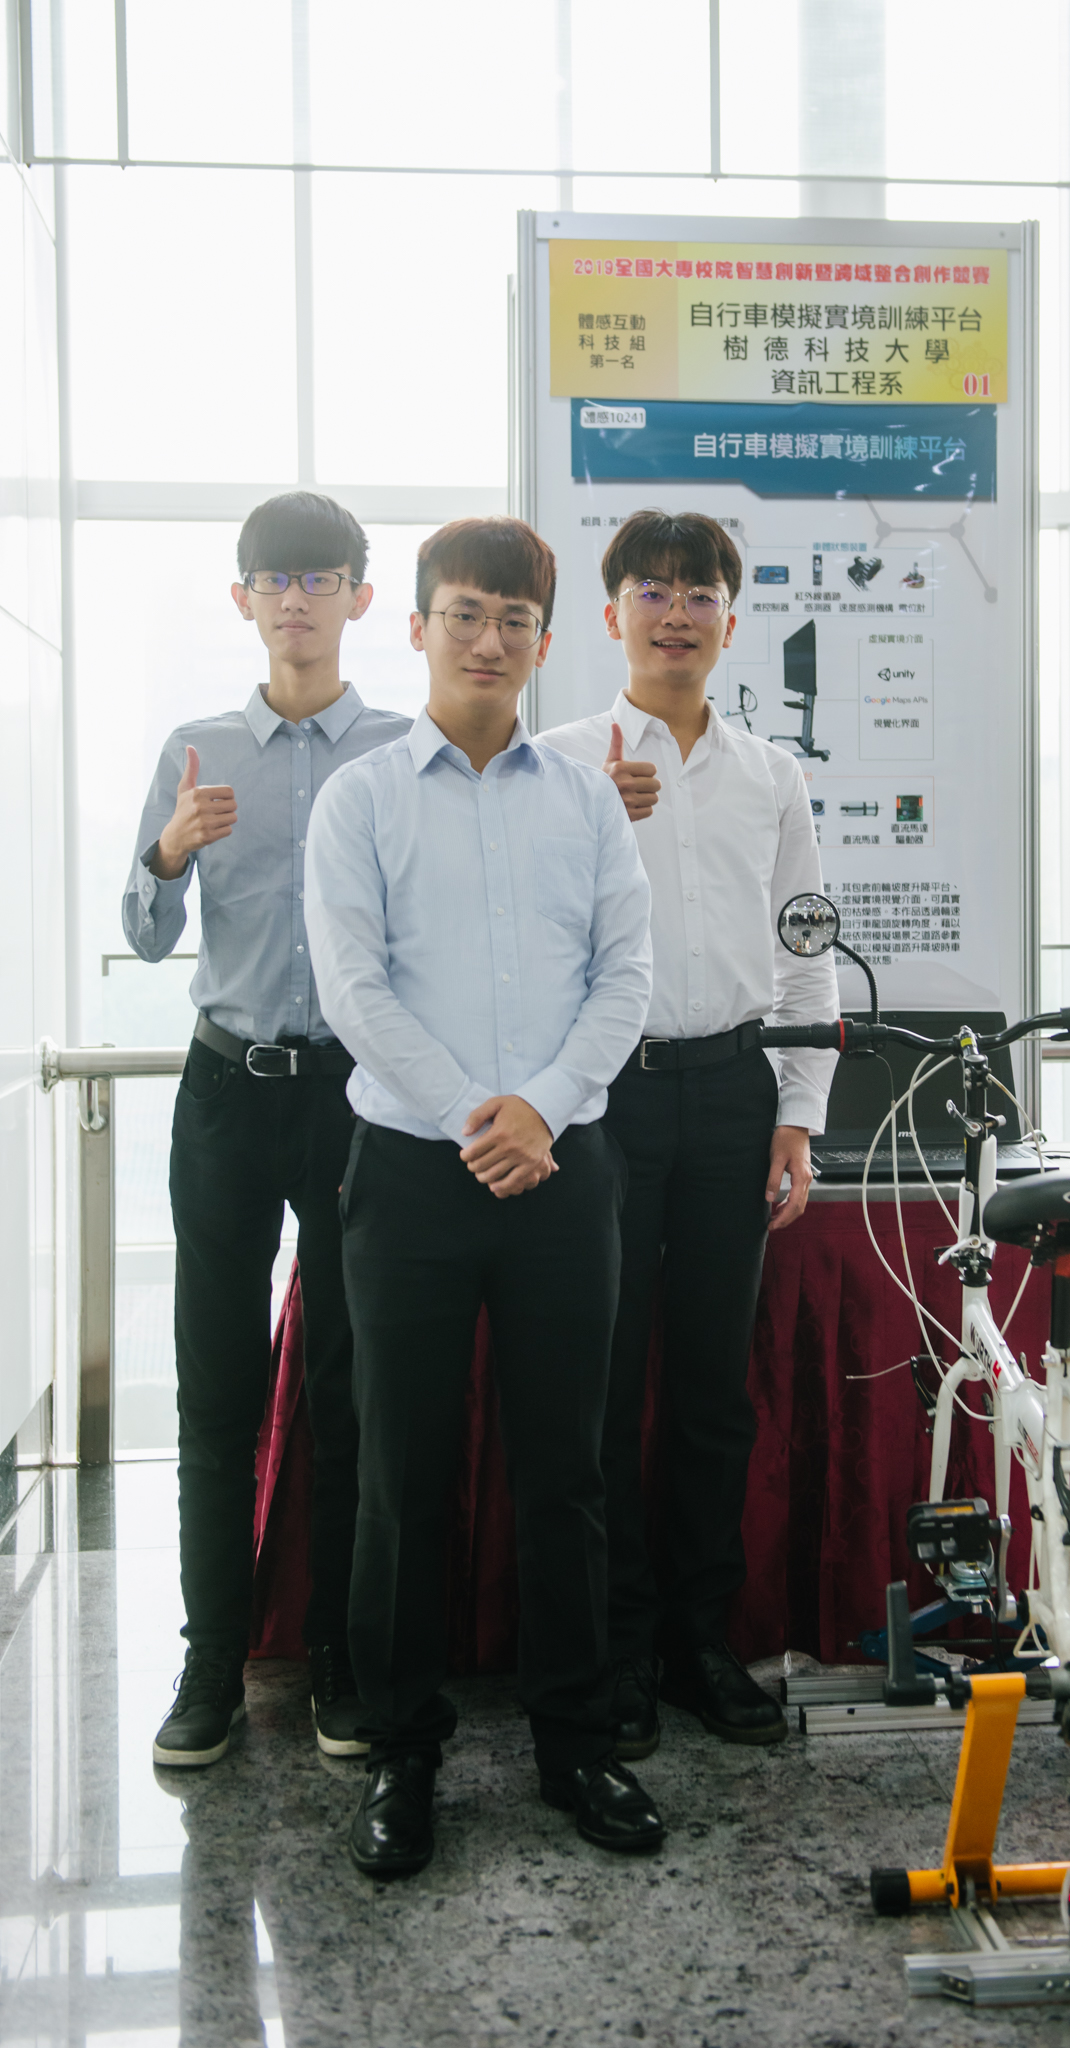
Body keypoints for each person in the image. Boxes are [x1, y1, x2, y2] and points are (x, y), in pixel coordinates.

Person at [304, 516, 662, 1878]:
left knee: (566, 1468)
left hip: (562, 1169)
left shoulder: (582, 799)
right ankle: (402, 1751)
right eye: (464, 613)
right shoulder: (361, 800)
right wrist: (476, 1112)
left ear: (544, 641)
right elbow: (353, 987)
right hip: (411, 1172)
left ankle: (574, 1740)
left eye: (514, 620)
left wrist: (543, 1108)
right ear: (415, 628)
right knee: (400, 1473)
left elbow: (625, 974)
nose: (489, 639)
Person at [539, 509, 839, 1761]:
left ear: (729, 616)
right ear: (612, 613)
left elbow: (805, 951)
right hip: (601, 1099)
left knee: (713, 1386)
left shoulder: (772, 775)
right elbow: (520, 940)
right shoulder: (558, 763)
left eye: (699, 592)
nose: (675, 613)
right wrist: (586, 825)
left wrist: (796, 1114)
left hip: (729, 1093)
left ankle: (697, 1639)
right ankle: (610, 1648)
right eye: (652, 591)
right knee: (600, 1387)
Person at [124, 491, 410, 1770]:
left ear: (358, 595)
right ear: (242, 599)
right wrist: (168, 854)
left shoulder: (397, 751)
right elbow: (143, 934)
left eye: (319, 575)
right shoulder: (196, 748)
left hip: (355, 1095)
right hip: (227, 1091)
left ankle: (341, 1653)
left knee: (350, 1385)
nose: (296, 597)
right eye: (273, 578)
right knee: (216, 1387)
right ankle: (212, 1663)